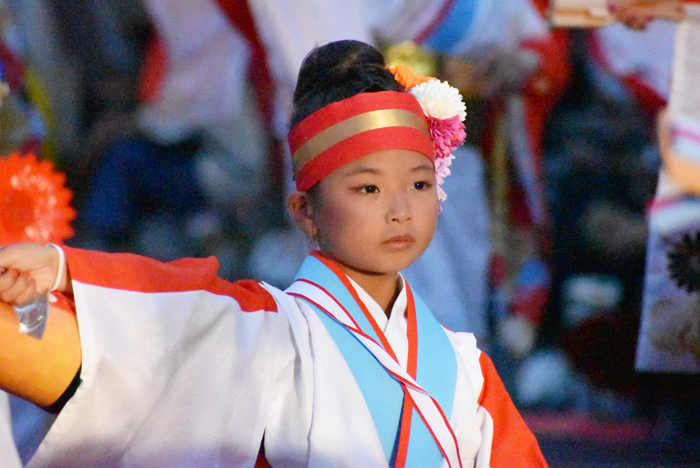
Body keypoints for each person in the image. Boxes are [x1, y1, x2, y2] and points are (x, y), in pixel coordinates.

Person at [0, 40, 546, 467]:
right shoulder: (262, 335)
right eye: (368, 189)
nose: (401, 209)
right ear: (304, 211)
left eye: (420, 185)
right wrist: (64, 268)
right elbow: (149, 323)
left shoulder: (464, 369)